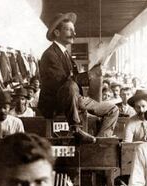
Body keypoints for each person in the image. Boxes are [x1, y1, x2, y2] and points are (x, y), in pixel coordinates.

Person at [39, 12, 119, 144]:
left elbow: (74, 80)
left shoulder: (65, 54)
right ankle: (75, 129)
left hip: (75, 98)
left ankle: (100, 142)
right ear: (57, 33)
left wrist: (95, 74)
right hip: (56, 101)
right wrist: (90, 74)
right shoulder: (50, 55)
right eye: (69, 29)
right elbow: (64, 83)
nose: (74, 33)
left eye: (74, 30)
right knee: (70, 86)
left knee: (113, 109)